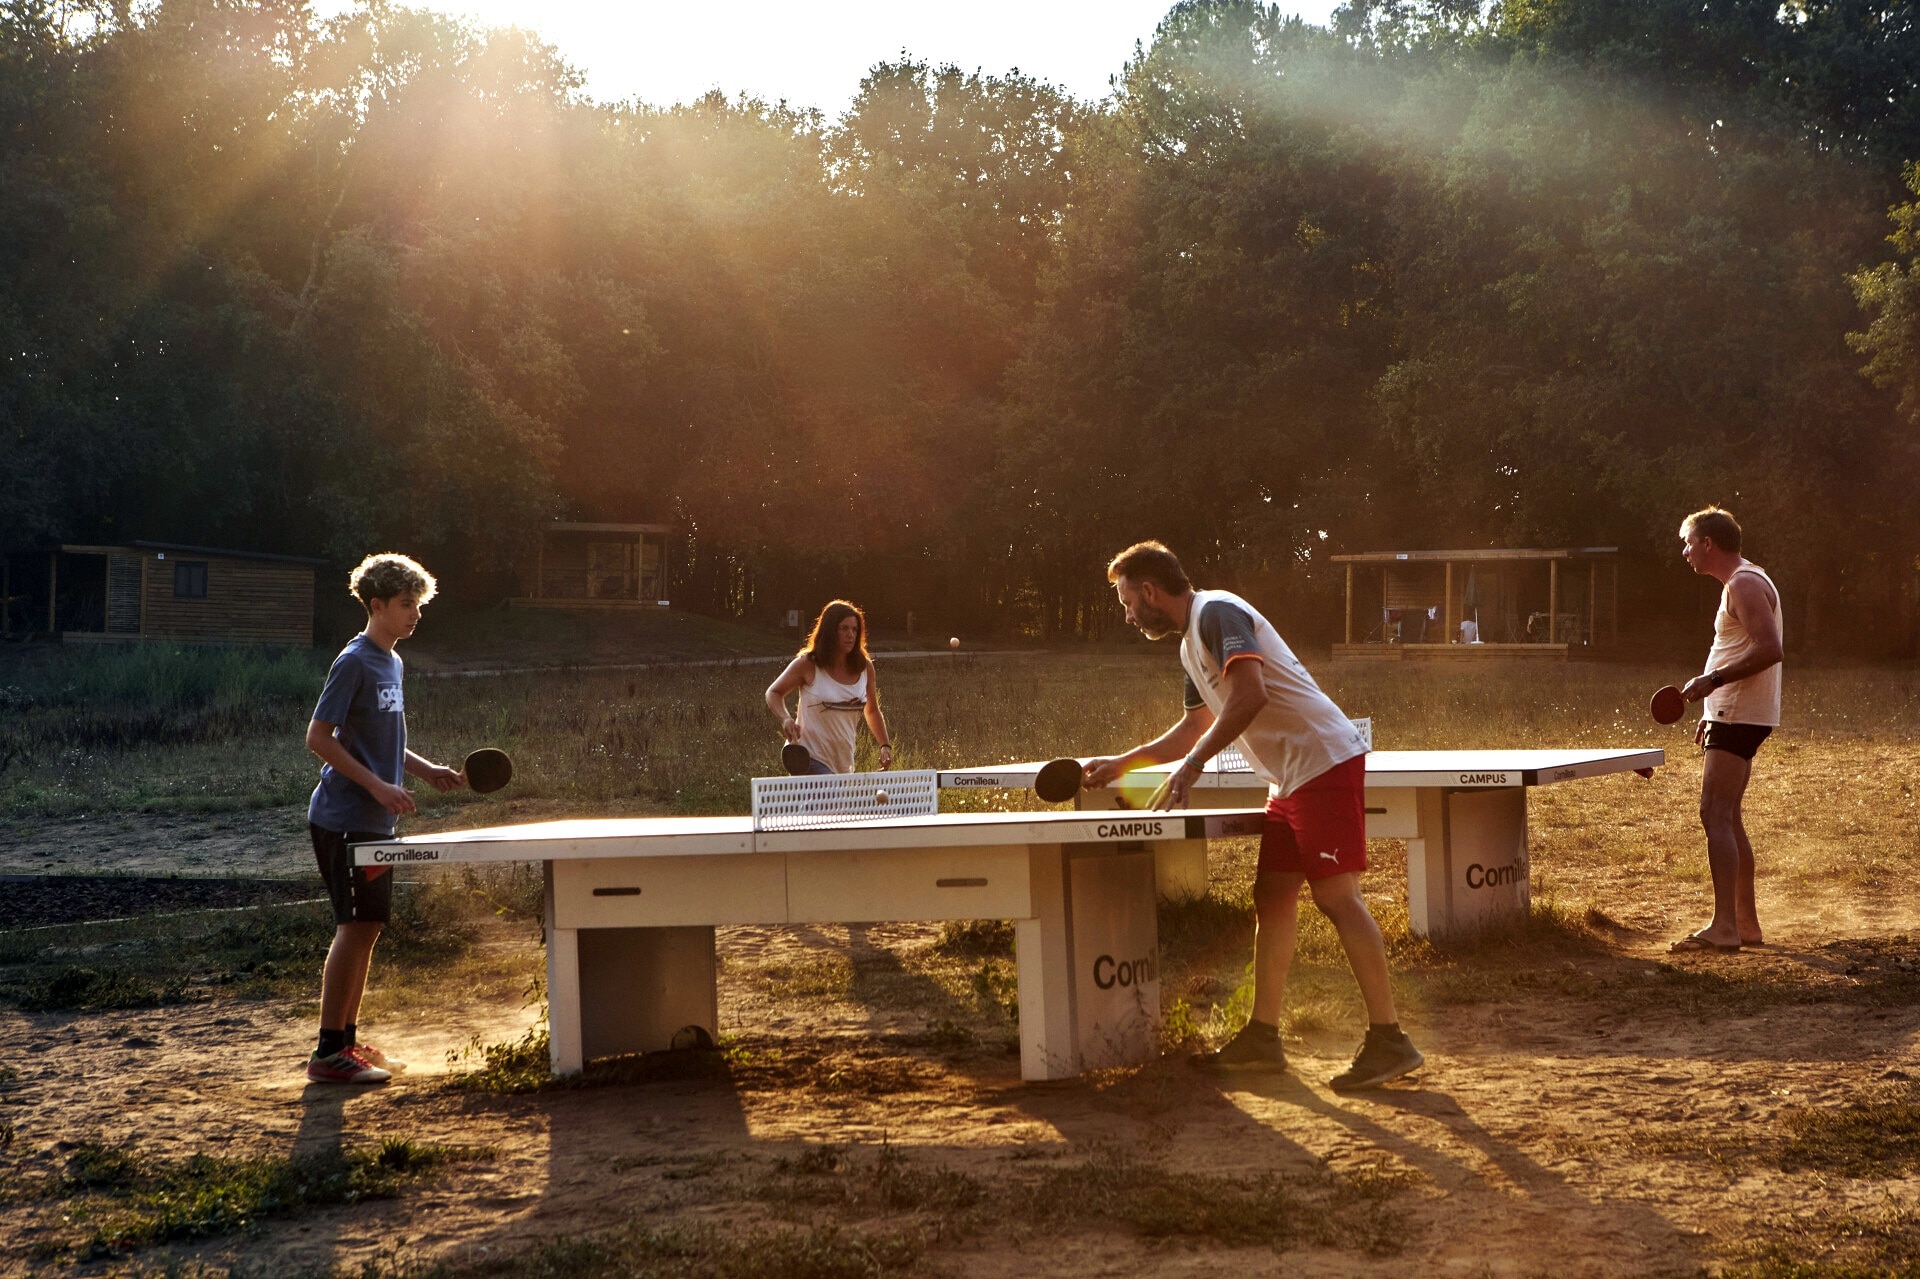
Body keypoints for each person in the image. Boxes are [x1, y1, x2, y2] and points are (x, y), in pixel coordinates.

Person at [1083, 541, 1423, 1091]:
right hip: (1288, 777)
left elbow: (1250, 695)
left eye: (1126, 600)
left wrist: (1192, 769)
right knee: (1271, 896)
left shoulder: (1216, 612)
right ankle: (1264, 1038)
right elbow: (1193, 728)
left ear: (1149, 591)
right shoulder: (1189, 645)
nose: (1127, 614)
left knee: (1337, 898)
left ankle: (1390, 1038)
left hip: (1322, 761)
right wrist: (1124, 762)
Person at [303, 553, 463, 1084]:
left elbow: (381, 741)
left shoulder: (392, 662)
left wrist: (423, 769)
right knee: (353, 928)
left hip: (373, 820)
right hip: (344, 817)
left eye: (417, 604)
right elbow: (318, 738)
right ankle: (328, 1052)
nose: (415, 614)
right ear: (376, 606)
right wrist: (376, 785)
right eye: (404, 605)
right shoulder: (354, 661)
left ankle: (348, 1041)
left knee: (367, 928)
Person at [1670, 506, 1783, 953]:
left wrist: (1711, 684)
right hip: (1733, 712)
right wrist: (1712, 706)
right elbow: (1740, 647)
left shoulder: (1745, 583)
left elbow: (1769, 649)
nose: (1685, 551)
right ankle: (1745, 924)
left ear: (1708, 544)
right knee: (1729, 816)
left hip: (1739, 715)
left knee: (1713, 813)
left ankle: (1724, 928)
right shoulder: (1743, 581)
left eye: (1688, 542)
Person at [765, 599, 894, 774]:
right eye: (844, 628)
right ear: (830, 631)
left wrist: (885, 745)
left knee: (832, 801)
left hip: (843, 762)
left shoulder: (865, 667)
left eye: (854, 629)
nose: (851, 634)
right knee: (830, 800)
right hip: (809, 758)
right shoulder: (808, 664)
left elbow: (871, 710)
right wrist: (786, 718)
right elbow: (773, 692)